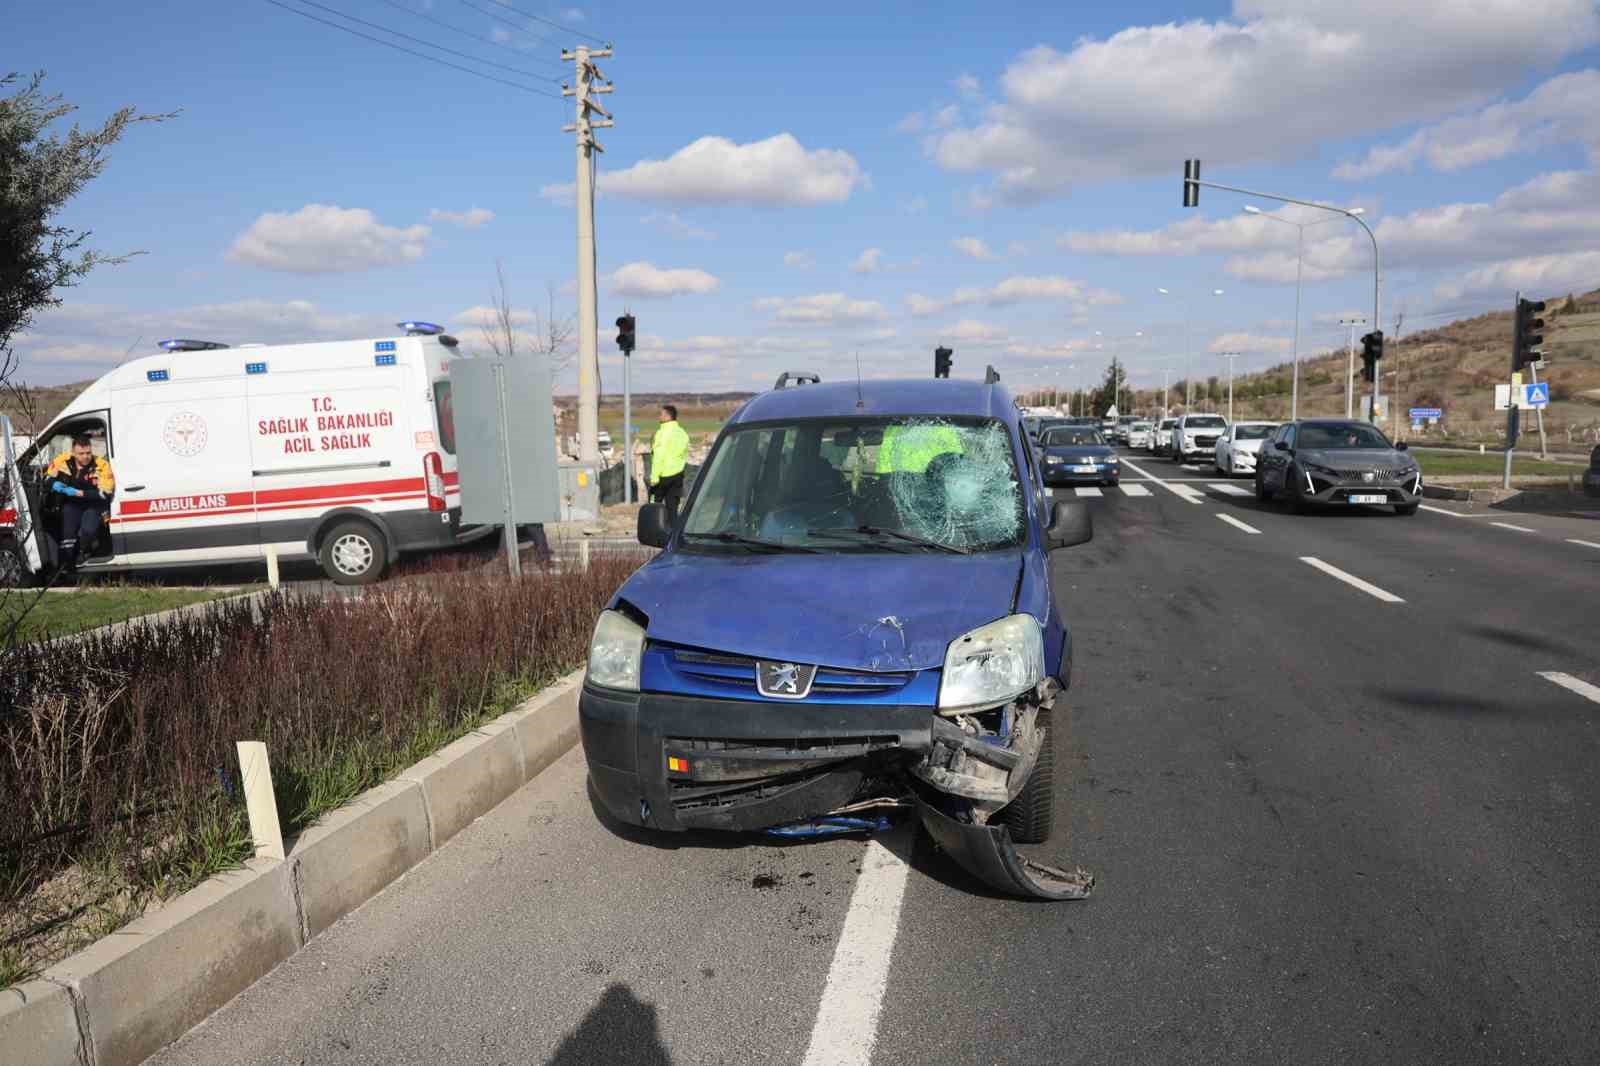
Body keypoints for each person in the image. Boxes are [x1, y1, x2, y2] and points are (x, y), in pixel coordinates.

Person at [44, 433, 115, 571]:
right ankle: (64, 568)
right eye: (81, 453)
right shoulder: (62, 461)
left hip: (93, 505)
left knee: (87, 530)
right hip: (71, 504)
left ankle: (85, 552)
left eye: (88, 453)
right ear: (73, 452)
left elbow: (105, 493)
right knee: (67, 535)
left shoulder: (101, 465)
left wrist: (79, 492)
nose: (85, 456)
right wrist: (54, 485)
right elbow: (47, 479)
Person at [649, 404, 690, 526]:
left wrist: (654, 477)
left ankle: (654, 530)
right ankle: (673, 535)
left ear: (667, 416)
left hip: (663, 475)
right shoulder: (682, 433)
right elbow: (684, 454)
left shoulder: (662, 433)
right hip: (678, 474)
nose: (659, 416)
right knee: (673, 508)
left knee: (655, 507)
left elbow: (658, 456)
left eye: (661, 414)